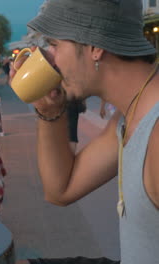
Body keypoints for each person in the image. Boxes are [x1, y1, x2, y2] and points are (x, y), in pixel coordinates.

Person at [11, 0, 158, 264]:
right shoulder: (129, 116)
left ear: (95, 47)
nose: (50, 59)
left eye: (54, 44)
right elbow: (61, 190)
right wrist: (49, 109)